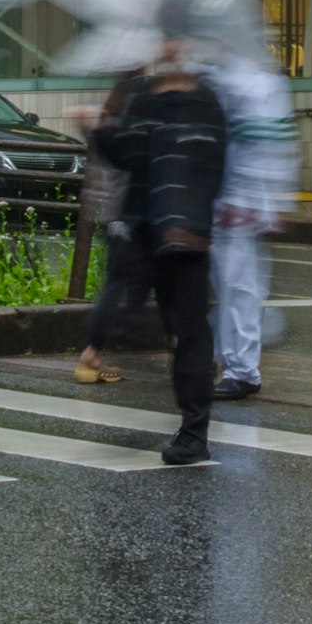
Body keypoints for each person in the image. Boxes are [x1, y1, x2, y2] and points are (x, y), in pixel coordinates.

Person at [93, 52, 229, 463]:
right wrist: (99, 131)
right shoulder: (145, 98)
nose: (169, 54)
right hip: (143, 227)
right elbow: (128, 155)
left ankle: (193, 432)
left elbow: (212, 168)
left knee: (188, 330)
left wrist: (192, 218)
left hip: (185, 232)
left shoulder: (206, 103)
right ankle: (187, 414)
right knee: (148, 317)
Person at [202, 49, 296, 401]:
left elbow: (263, 140)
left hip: (235, 206)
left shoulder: (246, 84)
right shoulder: (250, 80)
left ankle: (240, 367)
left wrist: (248, 199)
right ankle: (229, 359)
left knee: (237, 287)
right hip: (235, 203)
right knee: (236, 286)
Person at [72, 64, 157, 387]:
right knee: (127, 283)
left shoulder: (109, 110)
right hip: (131, 212)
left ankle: (95, 353)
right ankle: (92, 354)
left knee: (121, 281)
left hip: (112, 213)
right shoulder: (134, 109)